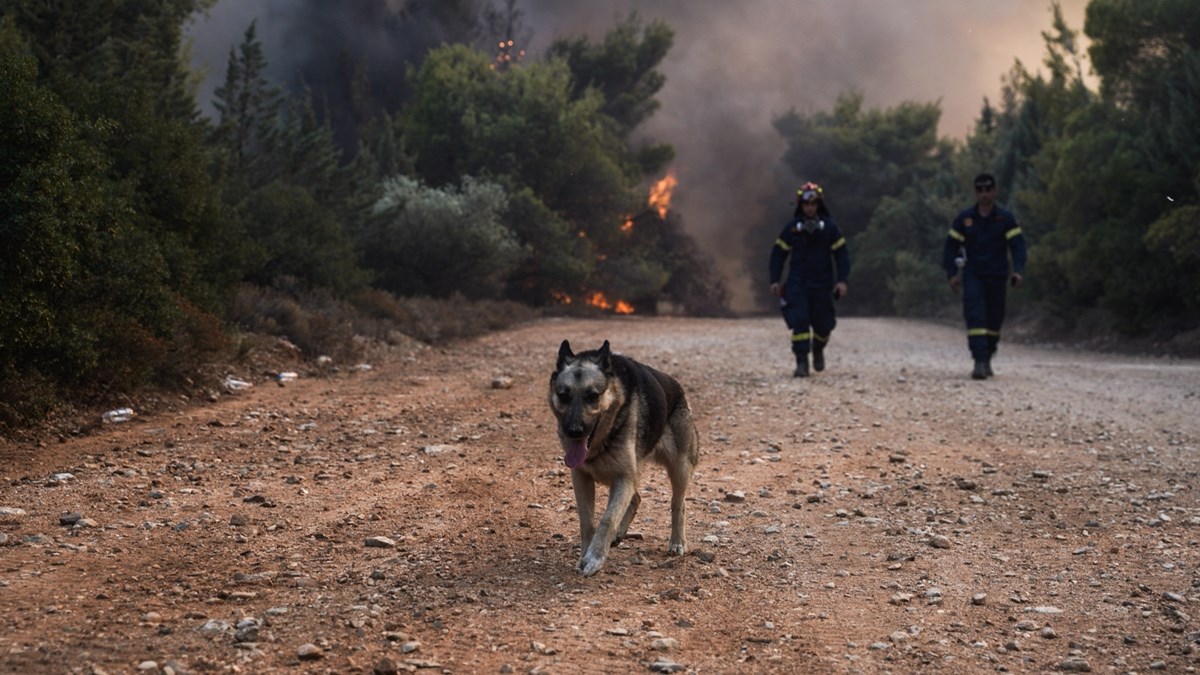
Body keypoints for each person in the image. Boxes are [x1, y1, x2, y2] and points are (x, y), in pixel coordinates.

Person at [943, 173, 1027, 380]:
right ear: (976, 192)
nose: (984, 194)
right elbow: (950, 247)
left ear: (994, 191)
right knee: (975, 316)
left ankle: (988, 355)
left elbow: (1018, 246)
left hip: (997, 276)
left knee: (993, 321)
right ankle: (979, 361)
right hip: (973, 275)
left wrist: (1018, 270)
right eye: (980, 190)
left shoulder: (1005, 218)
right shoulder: (965, 219)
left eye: (988, 189)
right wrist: (952, 274)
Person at [768, 182, 850, 377]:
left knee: (824, 325)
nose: (810, 208)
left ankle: (818, 348)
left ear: (819, 204)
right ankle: (802, 363)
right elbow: (778, 254)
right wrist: (775, 279)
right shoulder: (792, 228)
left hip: (822, 284)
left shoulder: (830, 228)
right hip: (798, 282)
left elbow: (842, 255)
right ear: (801, 206)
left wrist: (842, 280)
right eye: (806, 204)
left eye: (813, 204)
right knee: (800, 321)